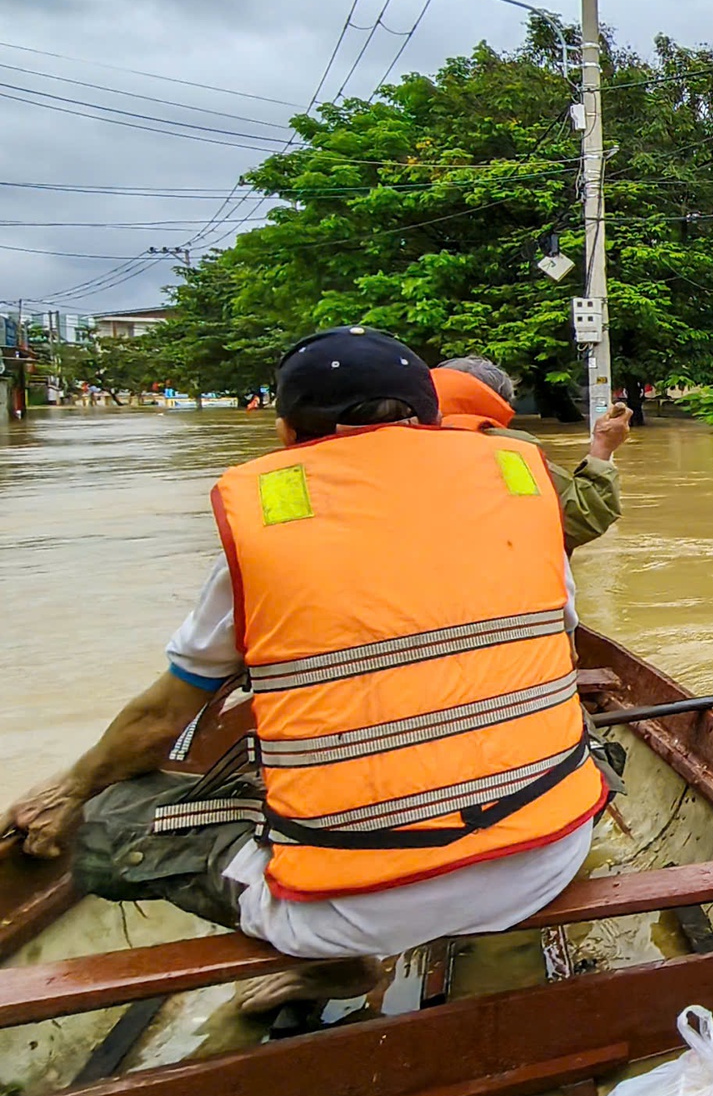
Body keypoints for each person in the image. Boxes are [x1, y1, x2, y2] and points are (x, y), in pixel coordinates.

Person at [0, 326, 606, 1011]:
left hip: (349, 912)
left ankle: (334, 965)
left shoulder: (269, 529)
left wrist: (69, 788)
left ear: (286, 431)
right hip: (547, 855)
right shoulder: (524, 501)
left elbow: (157, 723)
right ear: (431, 416)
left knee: (108, 815)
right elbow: (565, 641)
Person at [432, 356, 629, 551]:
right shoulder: (509, 456)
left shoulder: (404, 448)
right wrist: (603, 446)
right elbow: (582, 517)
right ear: (502, 402)